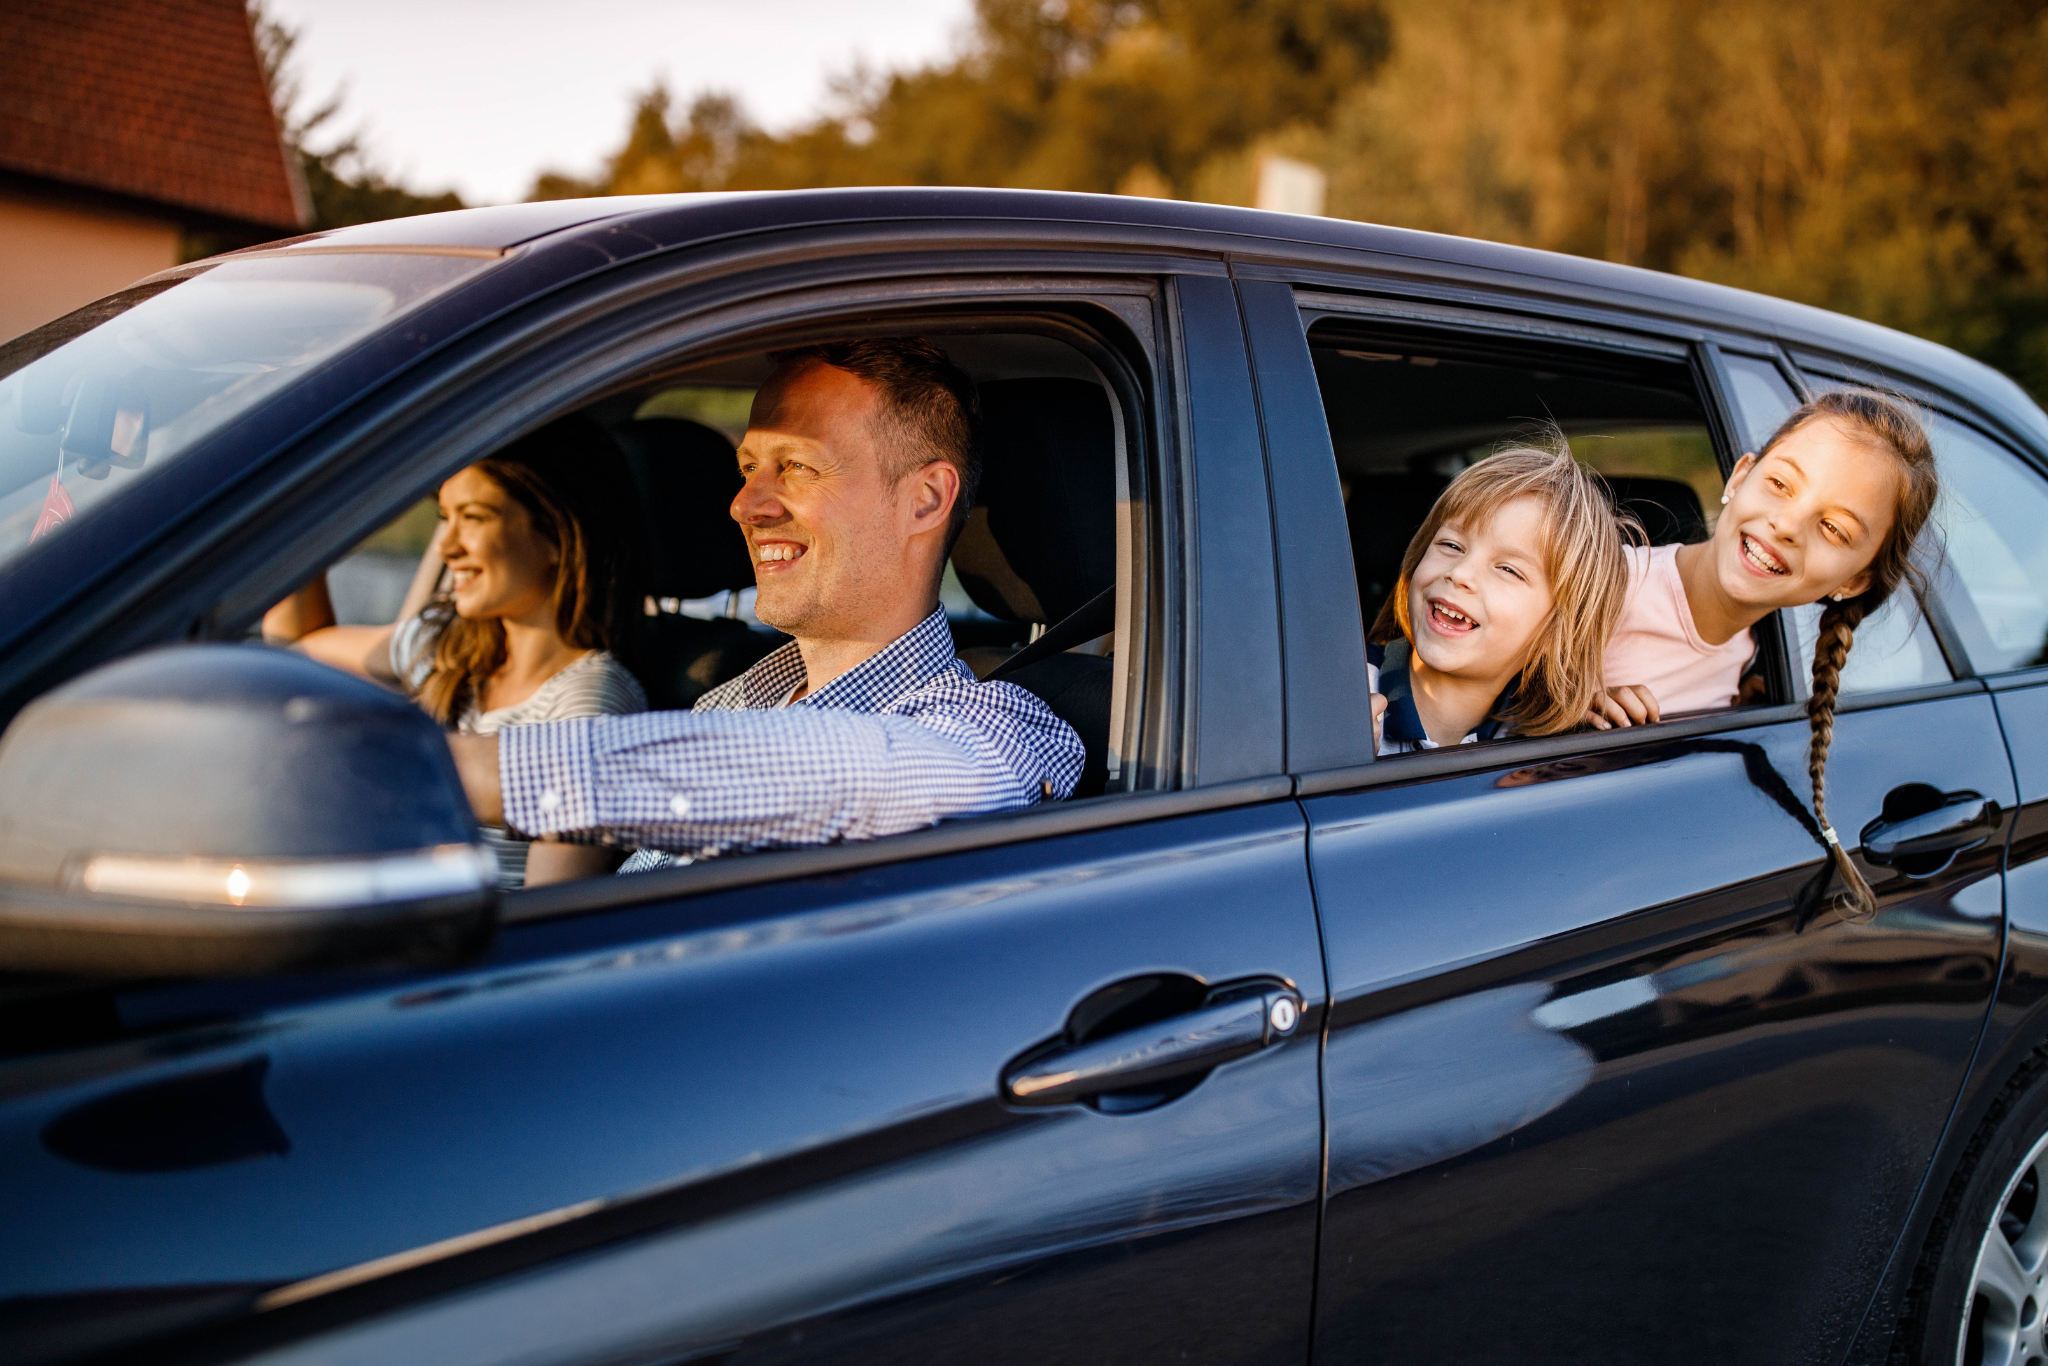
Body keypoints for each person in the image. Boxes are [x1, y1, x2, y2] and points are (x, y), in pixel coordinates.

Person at [442, 337, 1084, 864]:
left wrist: (458, 773)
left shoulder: (998, 725)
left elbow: (878, 775)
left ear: (925, 500)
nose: (744, 505)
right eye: (750, 468)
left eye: (798, 466)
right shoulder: (732, 700)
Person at [264, 418, 648, 888]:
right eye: (445, 517)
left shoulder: (588, 706)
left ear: (555, 536)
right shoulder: (448, 647)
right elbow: (297, 644)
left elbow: (548, 909)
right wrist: (300, 509)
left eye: (473, 517)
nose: (447, 546)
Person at [1599, 388, 1939, 914]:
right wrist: (1572, 706)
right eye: (1780, 484)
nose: (1786, 525)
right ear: (1739, 478)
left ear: (1855, 580)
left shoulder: (1755, 662)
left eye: (1833, 528)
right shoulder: (1598, 588)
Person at [1367, 436, 1633, 754]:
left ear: (1557, 632)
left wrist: (1612, 721)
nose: (1461, 573)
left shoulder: (1552, 748)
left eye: (1508, 569)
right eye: (1451, 545)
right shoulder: (1337, 692)